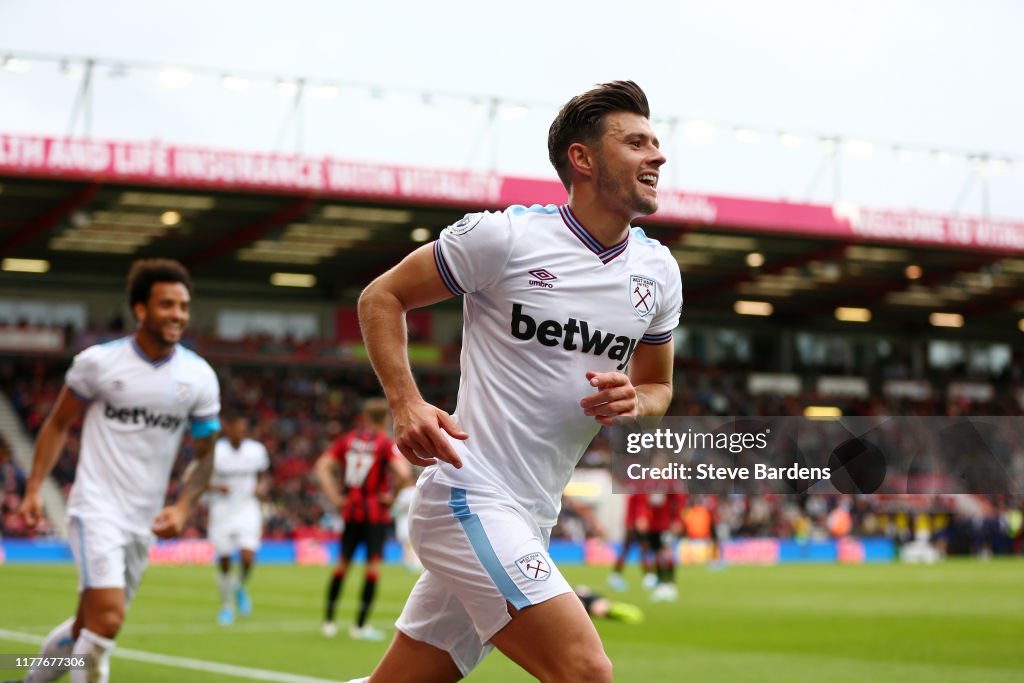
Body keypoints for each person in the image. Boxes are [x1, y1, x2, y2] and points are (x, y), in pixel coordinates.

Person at [350, 80, 681, 683]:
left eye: (656, 143)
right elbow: (382, 296)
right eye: (636, 143)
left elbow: (659, 386)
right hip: (468, 495)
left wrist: (639, 400)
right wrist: (405, 403)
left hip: (532, 513)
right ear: (582, 159)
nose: (657, 155)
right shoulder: (504, 238)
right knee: (585, 671)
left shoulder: (658, 272)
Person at [17, 258, 220, 683]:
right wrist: (35, 488)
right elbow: (57, 423)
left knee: (85, 627)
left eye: (183, 306)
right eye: (167, 305)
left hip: (143, 519)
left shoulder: (199, 377)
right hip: (96, 506)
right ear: (141, 309)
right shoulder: (98, 363)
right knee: (107, 622)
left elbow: (205, 455)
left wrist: (183, 507)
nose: (178, 315)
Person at [314, 398, 412, 641]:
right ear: (385, 419)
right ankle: (359, 626)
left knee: (342, 565)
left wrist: (335, 497)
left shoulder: (347, 441)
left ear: (365, 418)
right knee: (372, 568)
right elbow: (403, 474)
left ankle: (328, 622)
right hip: (375, 513)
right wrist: (391, 497)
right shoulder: (384, 444)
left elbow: (322, 466)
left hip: (350, 510)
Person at [206, 413, 270, 626]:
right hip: (222, 509)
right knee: (224, 560)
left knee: (248, 556)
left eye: (244, 429)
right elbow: (198, 479)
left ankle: (240, 585)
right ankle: (226, 606)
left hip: (247, 507)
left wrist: (262, 487)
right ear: (229, 429)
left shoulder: (256, 450)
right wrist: (216, 487)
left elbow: (264, 475)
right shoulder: (216, 452)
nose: (240, 433)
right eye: (237, 429)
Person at [573, 585, 644, 625]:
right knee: (602, 609)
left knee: (599, 610)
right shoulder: (576, 593)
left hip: (596, 603)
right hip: (599, 602)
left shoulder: (577, 594)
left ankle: (624, 612)